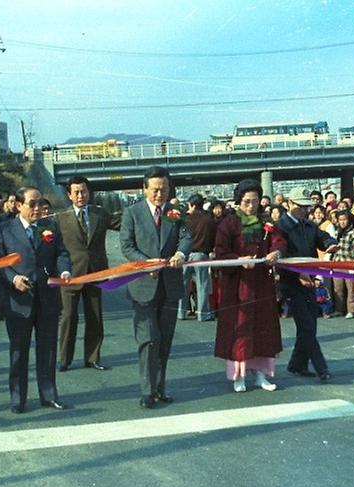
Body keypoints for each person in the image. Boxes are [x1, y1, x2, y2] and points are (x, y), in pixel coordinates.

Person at [0, 187, 72, 414]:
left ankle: (49, 395)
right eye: (32, 204)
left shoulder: (50, 227)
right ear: (19, 205)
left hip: (47, 297)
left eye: (41, 204)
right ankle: (18, 398)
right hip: (19, 301)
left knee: (47, 350)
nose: (38, 208)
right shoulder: (5, 230)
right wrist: (13, 278)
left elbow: (61, 253)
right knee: (19, 351)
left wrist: (64, 271)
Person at [119, 166, 192, 409]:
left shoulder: (175, 212)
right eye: (155, 189)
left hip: (169, 285)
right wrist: (144, 263)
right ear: (144, 189)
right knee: (148, 339)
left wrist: (181, 253)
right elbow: (127, 246)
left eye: (164, 189)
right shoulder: (132, 213)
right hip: (143, 286)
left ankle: (160, 389)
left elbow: (186, 237)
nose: (159, 194)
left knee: (165, 340)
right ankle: (147, 391)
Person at [213, 179, 286, 393]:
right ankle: (239, 376)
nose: (250, 206)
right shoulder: (228, 224)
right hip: (238, 285)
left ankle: (261, 375)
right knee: (240, 329)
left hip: (262, 284)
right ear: (238, 202)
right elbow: (220, 252)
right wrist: (238, 259)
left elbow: (279, 241)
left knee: (264, 329)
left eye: (254, 201)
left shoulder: (266, 222)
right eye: (246, 202)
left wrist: (277, 252)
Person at [56, 175, 120, 372]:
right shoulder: (60, 218)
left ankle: (92, 357)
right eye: (76, 192)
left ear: (89, 192)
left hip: (95, 273)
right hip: (70, 275)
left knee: (95, 317)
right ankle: (64, 359)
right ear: (69, 195)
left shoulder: (100, 214)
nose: (80, 195)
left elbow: (123, 224)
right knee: (68, 316)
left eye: (83, 191)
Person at [276, 187, 338, 381]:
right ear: (289, 204)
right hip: (291, 282)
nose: (304, 210)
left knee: (310, 325)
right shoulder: (280, 227)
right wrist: (298, 274)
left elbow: (323, 238)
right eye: (300, 207)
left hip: (309, 280)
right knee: (307, 325)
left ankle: (297, 364)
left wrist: (331, 243)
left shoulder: (309, 225)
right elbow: (281, 255)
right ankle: (322, 369)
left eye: (306, 207)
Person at [178, 193, 217, 322]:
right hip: (201, 255)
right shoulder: (209, 220)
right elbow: (213, 238)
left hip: (184, 255)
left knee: (183, 285)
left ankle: (181, 312)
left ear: (192, 205)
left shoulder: (184, 219)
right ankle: (203, 313)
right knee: (202, 285)